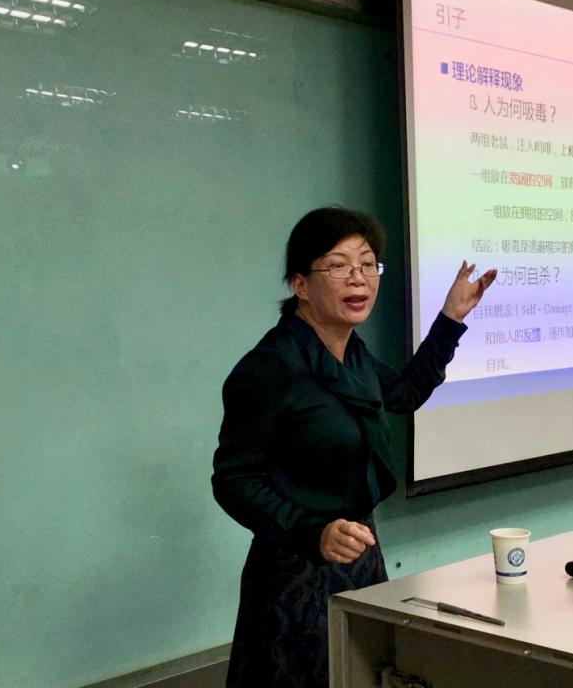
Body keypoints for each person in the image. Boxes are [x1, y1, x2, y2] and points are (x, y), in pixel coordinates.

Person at [211, 206, 495, 688]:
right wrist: (314, 532)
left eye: (367, 264)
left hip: (361, 559)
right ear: (300, 284)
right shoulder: (270, 367)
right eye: (338, 265)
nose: (358, 277)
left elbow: (403, 393)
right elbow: (234, 481)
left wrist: (450, 320)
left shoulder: (351, 352)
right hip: (294, 572)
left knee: (365, 674)